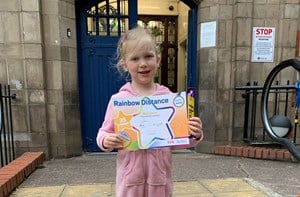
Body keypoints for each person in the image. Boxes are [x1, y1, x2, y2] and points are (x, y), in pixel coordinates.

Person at [96, 26, 203, 197]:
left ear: (158, 60)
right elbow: (103, 133)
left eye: (148, 56)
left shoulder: (168, 97)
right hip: (129, 184)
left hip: (160, 183)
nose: (143, 63)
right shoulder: (119, 100)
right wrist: (106, 140)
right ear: (124, 64)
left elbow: (179, 139)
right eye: (135, 58)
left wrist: (194, 134)